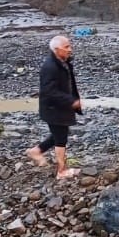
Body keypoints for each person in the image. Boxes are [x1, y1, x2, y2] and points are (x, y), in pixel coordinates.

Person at [26, 35, 82, 180]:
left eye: (70, 46)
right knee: (61, 138)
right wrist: (71, 101)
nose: (70, 49)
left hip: (60, 107)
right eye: (66, 47)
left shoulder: (63, 62)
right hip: (54, 108)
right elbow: (49, 91)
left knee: (59, 134)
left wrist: (72, 99)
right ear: (57, 50)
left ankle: (36, 151)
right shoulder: (50, 67)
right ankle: (61, 171)